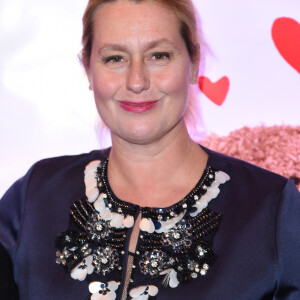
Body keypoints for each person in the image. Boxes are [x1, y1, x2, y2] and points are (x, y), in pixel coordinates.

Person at [0, 0, 299, 299]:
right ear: (89, 70)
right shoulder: (34, 197)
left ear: (194, 63)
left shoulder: (271, 210)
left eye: (159, 55)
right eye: (115, 58)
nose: (137, 81)